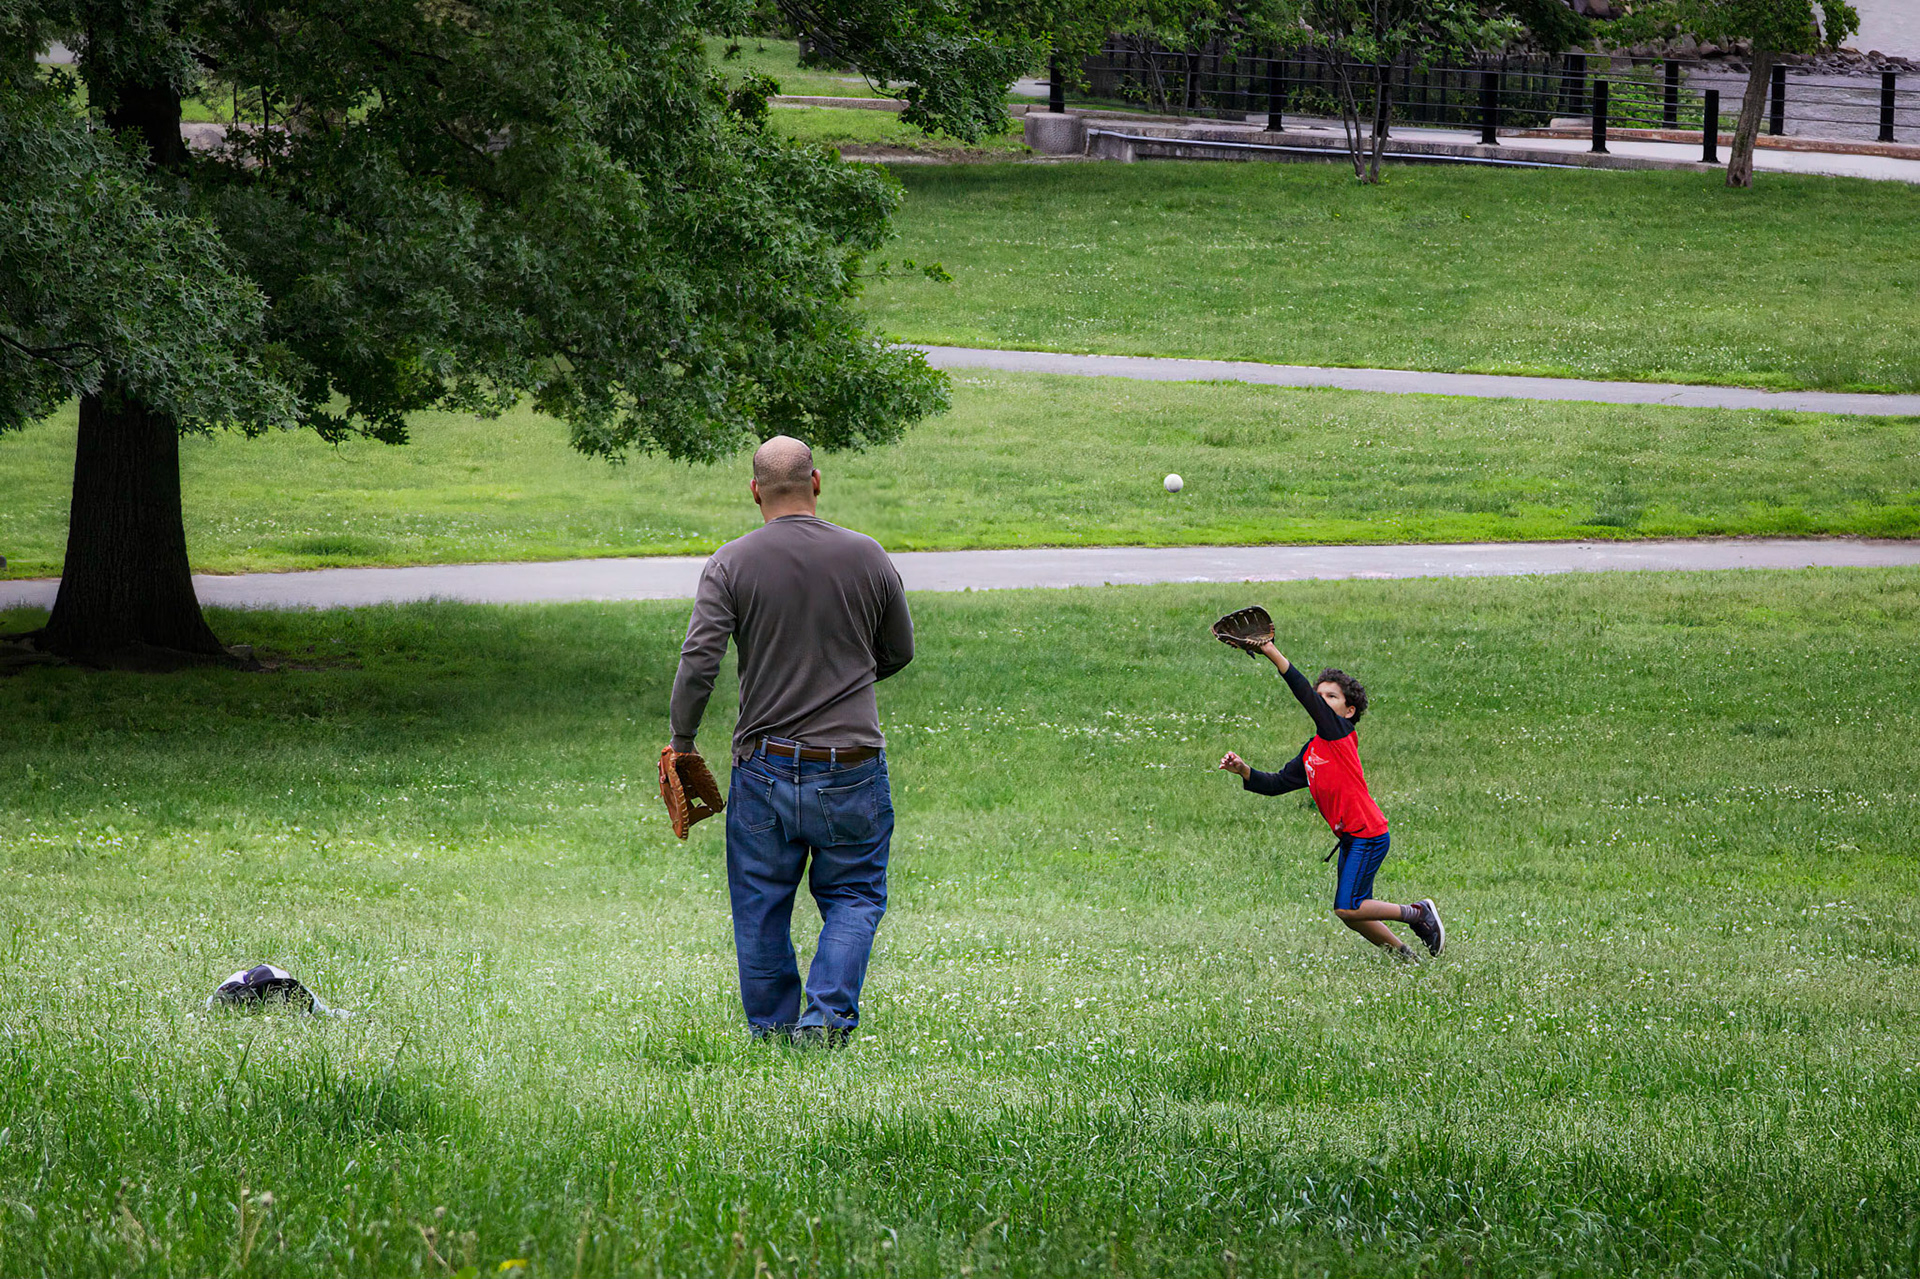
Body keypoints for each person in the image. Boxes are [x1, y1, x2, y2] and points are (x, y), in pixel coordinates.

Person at [668, 435, 914, 1044]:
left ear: (755, 491)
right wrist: (847, 678)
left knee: (760, 904)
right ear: (817, 482)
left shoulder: (730, 563)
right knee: (854, 895)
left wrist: (683, 738)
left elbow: (700, 659)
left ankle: (774, 1032)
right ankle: (826, 1022)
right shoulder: (869, 555)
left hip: (766, 766)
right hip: (854, 766)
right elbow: (899, 651)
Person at [1218, 639, 1444, 959]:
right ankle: (1404, 957)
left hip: (1367, 834)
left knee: (1348, 908)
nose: (1322, 701)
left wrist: (1270, 651)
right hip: (1353, 837)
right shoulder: (1313, 750)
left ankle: (1418, 913)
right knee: (1355, 914)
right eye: (1320, 695)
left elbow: (1304, 694)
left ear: (1348, 711)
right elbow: (1277, 783)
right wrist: (1243, 770)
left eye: (1331, 696)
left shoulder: (1339, 733)